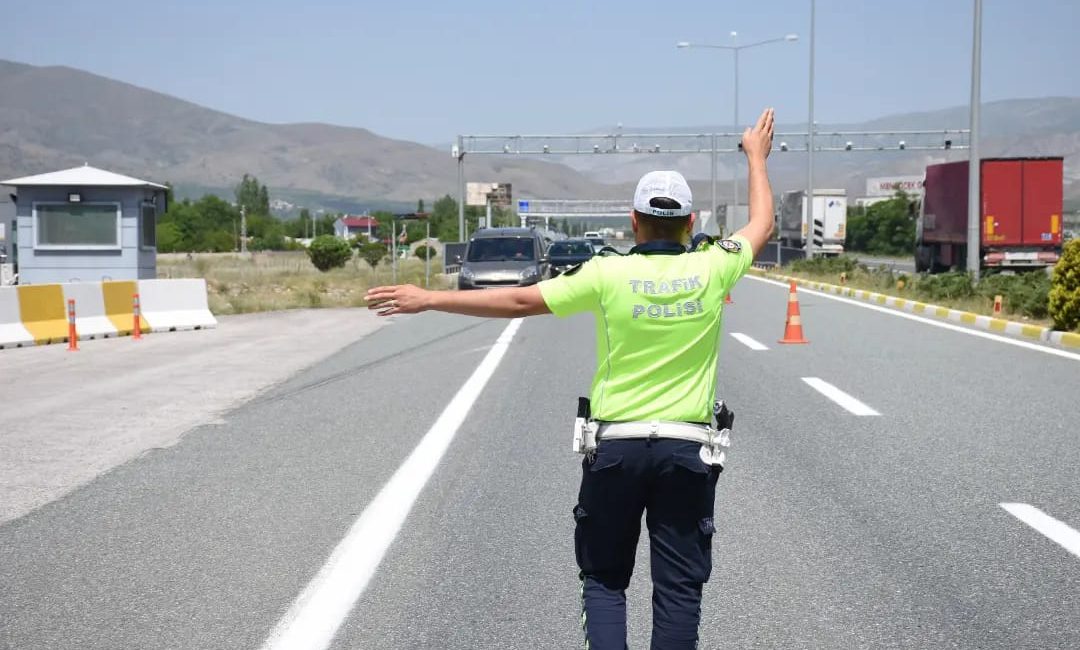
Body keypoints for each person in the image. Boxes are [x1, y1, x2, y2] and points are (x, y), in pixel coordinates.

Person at [365, 108, 777, 649]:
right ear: (691, 222)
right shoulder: (712, 266)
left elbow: (517, 300)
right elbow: (762, 222)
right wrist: (756, 158)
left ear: (633, 222)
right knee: (679, 590)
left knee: (605, 580)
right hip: (687, 450)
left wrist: (430, 299)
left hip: (616, 450)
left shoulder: (605, 272)